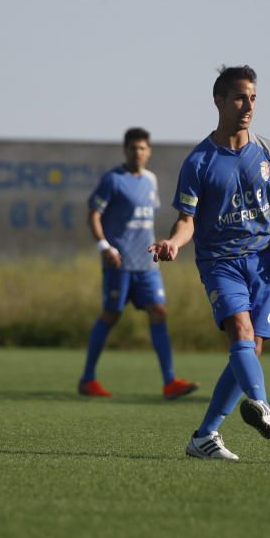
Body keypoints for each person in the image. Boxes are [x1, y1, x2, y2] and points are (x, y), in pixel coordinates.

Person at [149, 65, 270, 461]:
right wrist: (174, 243)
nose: (247, 105)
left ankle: (205, 435)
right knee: (240, 330)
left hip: (266, 260)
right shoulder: (199, 161)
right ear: (218, 101)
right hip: (221, 261)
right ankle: (261, 402)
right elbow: (187, 221)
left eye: (252, 97)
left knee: (252, 348)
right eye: (239, 97)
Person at [78, 127, 198, 399]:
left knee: (159, 311)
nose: (138, 153)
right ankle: (87, 379)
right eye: (133, 148)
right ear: (125, 150)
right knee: (111, 315)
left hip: (147, 264)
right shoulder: (113, 180)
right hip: (119, 263)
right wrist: (104, 246)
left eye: (143, 148)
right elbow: (93, 215)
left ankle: (170, 381)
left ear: (149, 151)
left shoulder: (151, 180)